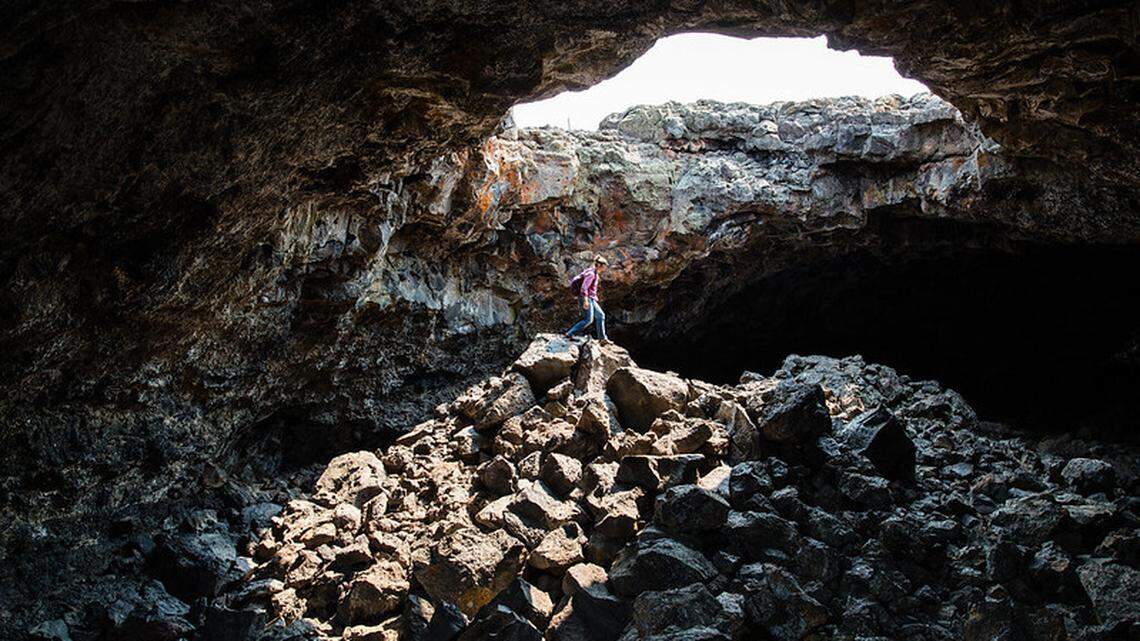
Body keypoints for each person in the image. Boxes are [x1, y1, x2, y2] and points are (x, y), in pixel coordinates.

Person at [565, 255, 610, 343]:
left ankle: (602, 338)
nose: (605, 268)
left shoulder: (594, 272)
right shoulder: (591, 274)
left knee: (600, 315)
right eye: (604, 266)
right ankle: (569, 333)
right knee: (588, 320)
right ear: (600, 265)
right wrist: (585, 301)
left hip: (591, 298)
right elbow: (584, 288)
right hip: (586, 298)